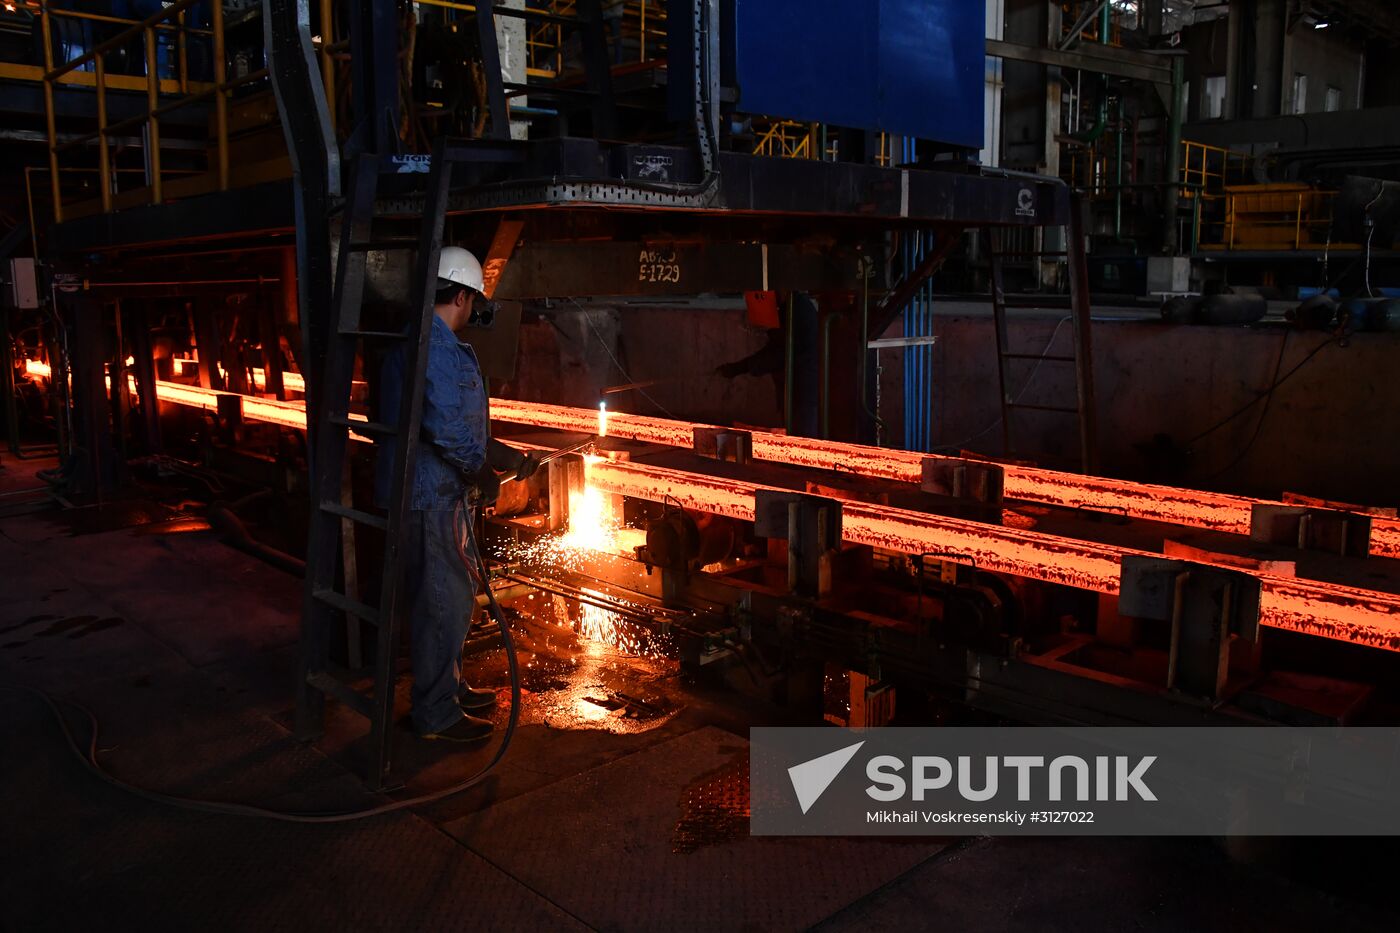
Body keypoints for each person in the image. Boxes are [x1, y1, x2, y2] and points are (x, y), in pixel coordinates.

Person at [375, 247, 538, 743]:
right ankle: (436, 712)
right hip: (432, 493)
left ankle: (448, 687)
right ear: (464, 296)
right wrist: (483, 470)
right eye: (474, 302)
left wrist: (503, 455)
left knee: (451, 594)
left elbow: (455, 421)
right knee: (443, 600)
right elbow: (445, 426)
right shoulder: (438, 347)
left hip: (437, 490)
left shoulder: (429, 341)